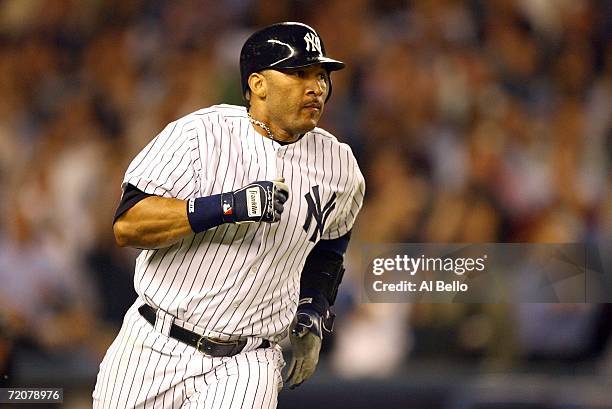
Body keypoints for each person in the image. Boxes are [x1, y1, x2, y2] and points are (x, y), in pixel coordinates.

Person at [93, 22, 365, 409]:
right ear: (258, 84)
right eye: (299, 73)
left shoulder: (340, 165)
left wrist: (314, 306)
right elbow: (129, 225)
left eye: (321, 75)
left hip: (249, 359)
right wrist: (227, 207)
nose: (316, 87)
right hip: (155, 341)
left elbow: (333, 239)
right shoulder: (200, 135)